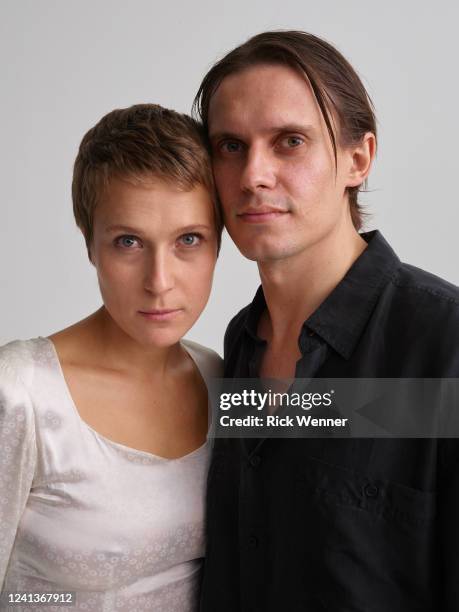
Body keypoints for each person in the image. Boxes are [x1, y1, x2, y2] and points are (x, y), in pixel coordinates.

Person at [194, 31, 459, 610]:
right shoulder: (237, 348)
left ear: (356, 160)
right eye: (230, 146)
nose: (253, 174)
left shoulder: (445, 346)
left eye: (289, 141)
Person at [0, 104, 223, 611]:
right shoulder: (20, 392)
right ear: (90, 245)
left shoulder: (220, 376)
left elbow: (393, 418)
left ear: (218, 244)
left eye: (189, 240)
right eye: (129, 242)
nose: (159, 281)